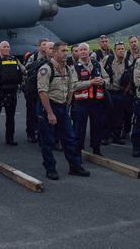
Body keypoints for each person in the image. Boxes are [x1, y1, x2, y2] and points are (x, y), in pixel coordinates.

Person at [37, 42, 90, 180]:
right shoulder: (46, 69)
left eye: (67, 50)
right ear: (54, 52)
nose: (66, 53)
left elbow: (71, 87)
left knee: (70, 139)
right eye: (62, 50)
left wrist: (68, 102)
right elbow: (42, 92)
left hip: (62, 107)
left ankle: (75, 166)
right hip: (49, 107)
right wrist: (49, 113)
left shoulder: (67, 68)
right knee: (48, 141)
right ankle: (50, 169)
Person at [72, 43, 109, 155]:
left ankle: (96, 149)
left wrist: (103, 82)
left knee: (97, 126)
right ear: (78, 52)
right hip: (81, 103)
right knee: (80, 128)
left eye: (85, 50)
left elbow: (107, 78)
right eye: (81, 50)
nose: (83, 52)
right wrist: (91, 82)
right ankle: (78, 151)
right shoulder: (74, 67)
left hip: (96, 102)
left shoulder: (97, 64)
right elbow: (74, 85)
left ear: (88, 51)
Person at [24, 38, 50, 143]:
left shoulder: (50, 57)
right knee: (31, 112)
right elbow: (26, 69)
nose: (46, 46)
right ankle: (30, 133)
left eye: (47, 45)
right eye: (44, 44)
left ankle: (40, 132)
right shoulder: (33, 57)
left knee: (42, 112)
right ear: (39, 46)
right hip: (32, 89)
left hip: (44, 89)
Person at [102, 42, 128, 145]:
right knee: (106, 115)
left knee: (119, 116)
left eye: (122, 49)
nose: (121, 51)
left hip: (120, 92)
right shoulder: (108, 59)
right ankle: (105, 136)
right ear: (115, 50)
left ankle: (116, 136)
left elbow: (130, 78)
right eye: (119, 49)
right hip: (108, 91)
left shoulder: (127, 62)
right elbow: (100, 71)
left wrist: (125, 92)